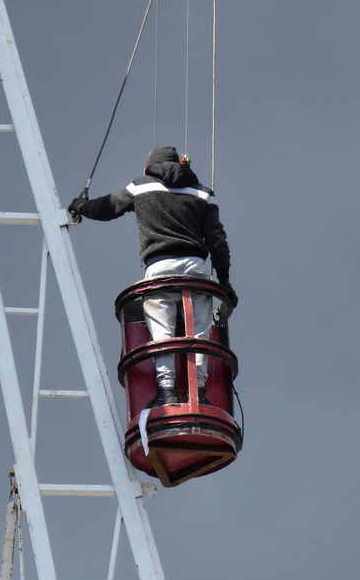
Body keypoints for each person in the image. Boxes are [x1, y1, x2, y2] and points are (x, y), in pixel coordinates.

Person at [68, 146, 237, 408]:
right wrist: (224, 280)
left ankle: (167, 390)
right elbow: (217, 240)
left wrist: (81, 206)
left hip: (160, 267)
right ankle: (199, 391)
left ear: (148, 166)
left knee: (162, 333)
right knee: (200, 332)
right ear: (180, 164)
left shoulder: (141, 185)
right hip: (196, 268)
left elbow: (109, 206)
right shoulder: (202, 193)